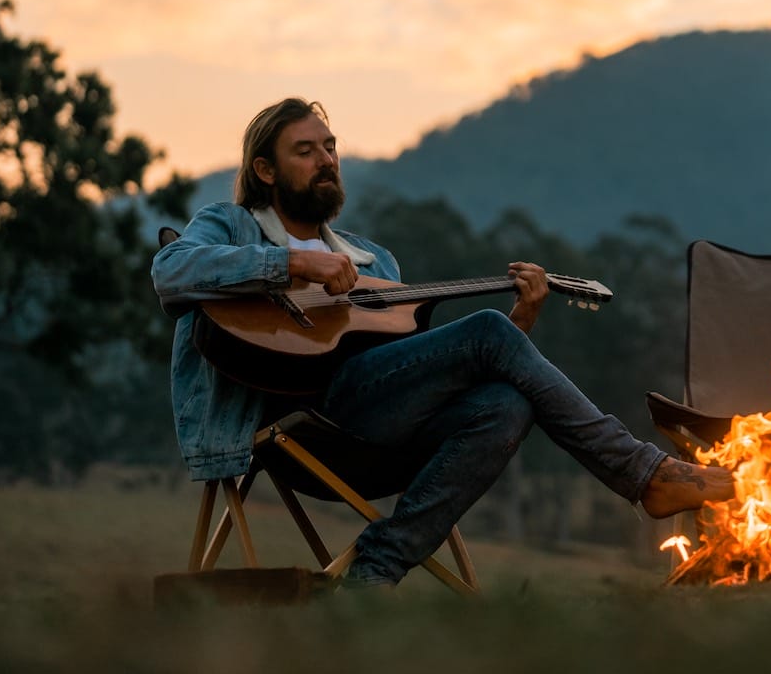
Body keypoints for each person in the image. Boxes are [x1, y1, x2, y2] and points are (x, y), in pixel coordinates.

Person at [153, 97, 731, 589]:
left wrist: (519, 325)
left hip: (376, 430)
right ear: (266, 170)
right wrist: (295, 262)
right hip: (294, 428)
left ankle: (372, 574)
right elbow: (171, 270)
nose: (326, 160)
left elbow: (427, 370)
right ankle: (646, 475)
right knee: (485, 333)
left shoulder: (375, 261)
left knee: (508, 402)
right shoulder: (230, 224)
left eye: (330, 147)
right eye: (305, 151)